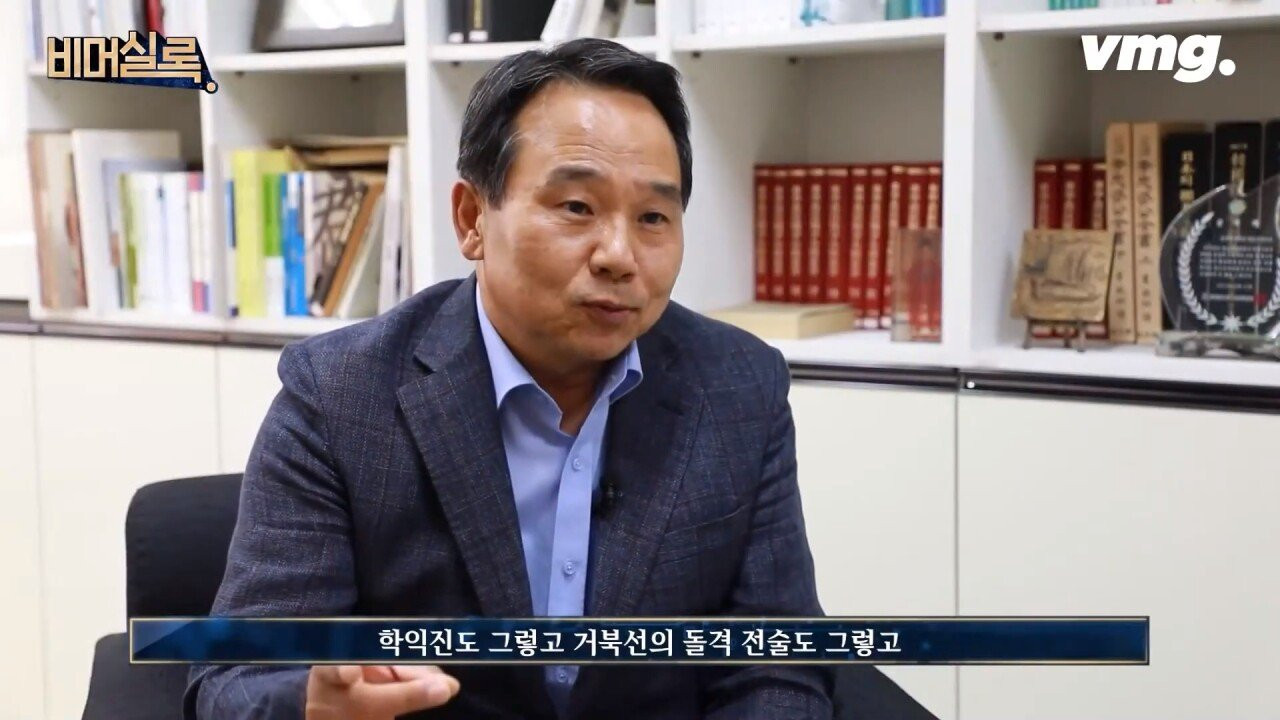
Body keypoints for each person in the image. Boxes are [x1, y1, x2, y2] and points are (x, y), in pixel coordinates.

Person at [185, 37, 833, 720]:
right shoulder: (339, 395)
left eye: (652, 218)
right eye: (577, 207)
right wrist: (309, 702)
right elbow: (235, 678)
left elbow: (778, 661)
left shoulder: (737, 386)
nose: (619, 255)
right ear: (472, 218)